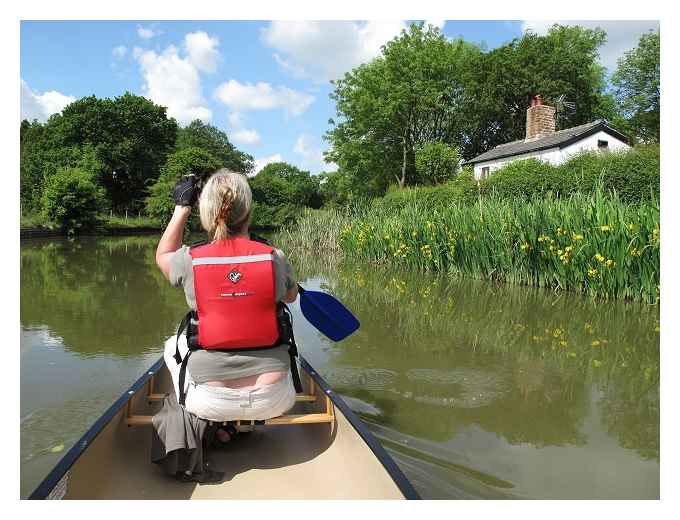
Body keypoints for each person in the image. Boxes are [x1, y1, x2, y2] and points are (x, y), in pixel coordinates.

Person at [150, 169, 300, 483]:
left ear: (206, 213)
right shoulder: (275, 256)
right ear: (248, 210)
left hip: (211, 401)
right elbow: (290, 296)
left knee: (170, 346)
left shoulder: (190, 258)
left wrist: (181, 208)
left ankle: (214, 423)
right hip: (274, 399)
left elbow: (162, 254)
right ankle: (233, 424)